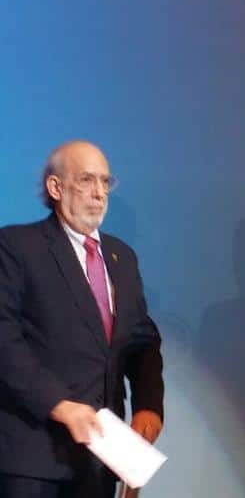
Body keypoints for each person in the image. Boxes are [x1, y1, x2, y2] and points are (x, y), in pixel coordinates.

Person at [0, 141, 164, 498]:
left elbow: (143, 341)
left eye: (106, 182)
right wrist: (60, 404)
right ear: (55, 187)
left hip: (99, 460)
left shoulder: (122, 257)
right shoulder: (16, 246)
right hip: (33, 459)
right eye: (87, 180)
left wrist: (149, 404)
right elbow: (4, 342)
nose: (99, 193)